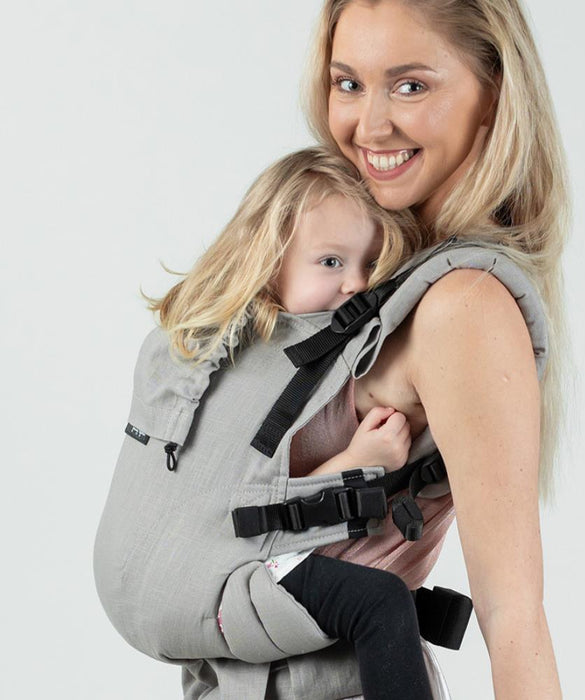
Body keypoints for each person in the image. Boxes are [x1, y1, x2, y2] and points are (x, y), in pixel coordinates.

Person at [278, 0, 570, 697]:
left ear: (492, 94)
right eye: (348, 83)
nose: (370, 125)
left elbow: (513, 615)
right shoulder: (365, 275)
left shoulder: (464, 306)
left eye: (410, 85)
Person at [149, 146, 436, 699]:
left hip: (260, 576)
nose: (356, 284)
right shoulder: (245, 366)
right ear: (268, 260)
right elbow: (251, 509)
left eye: (369, 265)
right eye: (331, 262)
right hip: (245, 571)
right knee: (380, 603)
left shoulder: (328, 356)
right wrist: (357, 463)